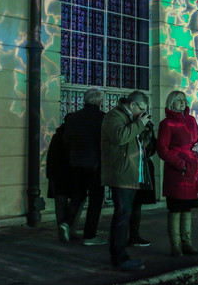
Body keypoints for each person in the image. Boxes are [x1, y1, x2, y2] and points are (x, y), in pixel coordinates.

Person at [100, 90, 152, 272]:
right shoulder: (113, 115)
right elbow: (120, 137)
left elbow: (136, 142)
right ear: (132, 105)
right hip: (120, 173)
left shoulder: (131, 118)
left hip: (131, 172)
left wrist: (145, 132)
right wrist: (139, 124)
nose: (143, 112)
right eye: (142, 108)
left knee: (125, 214)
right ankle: (119, 257)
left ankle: (121, 255)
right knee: (122, 215)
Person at [156, 90, 198, 256]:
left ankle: (187, 243)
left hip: (191, 172)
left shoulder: (191, 120)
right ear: (171, 103)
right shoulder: (166, 124)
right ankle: (175, 245)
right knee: (175, 208)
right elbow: (162, 149)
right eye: (178, 100)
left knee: (187, 209)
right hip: (177, 173)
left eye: (184, 100)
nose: (182, 103)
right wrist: (180, 164)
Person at [62, 87, 106, 246]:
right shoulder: (103, 118)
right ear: (100, 101)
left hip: (76, 163)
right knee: (96, 200)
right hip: (95, 164)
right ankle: (90, 235)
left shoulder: (74, 117)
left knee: (77, 195)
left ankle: (67, 222)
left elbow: (66, 141)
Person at [128, 120, 156, 247]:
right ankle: (131, 236)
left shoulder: (146, 126)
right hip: (134, 168)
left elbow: (152, 147)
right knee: (131, 205)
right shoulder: (129, 125)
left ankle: (133, 236)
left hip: (141, 167)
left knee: (135, 205)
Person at [45, 123, 71, 242]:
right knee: (75, 201)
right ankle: (67, 227)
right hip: (69, 173)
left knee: (60, 203)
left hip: (56, 175)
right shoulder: (71, 136)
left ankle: (62, 228)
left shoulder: (57, 136)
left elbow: (50, 156)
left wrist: (49, 174)